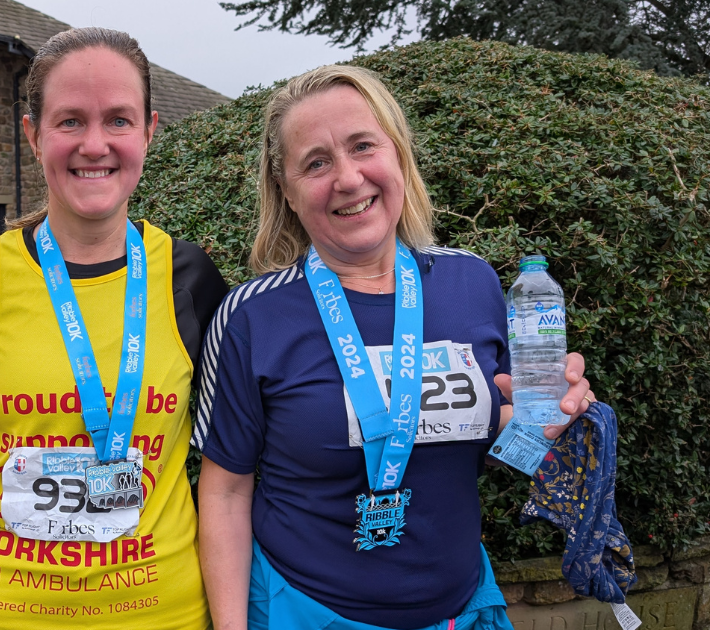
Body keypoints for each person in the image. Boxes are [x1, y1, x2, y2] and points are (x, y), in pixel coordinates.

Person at [194, 65, 596, 630]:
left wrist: (545, 422)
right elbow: (227, 492)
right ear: (284, 189)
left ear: (399, 154)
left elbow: (496, 435)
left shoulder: (472, 284)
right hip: (303, 612)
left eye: (363, 146)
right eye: (316, 162)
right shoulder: (252, 316)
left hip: (462, 609)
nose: (349, 178)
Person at [0, 27, 228, 629]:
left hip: (158, 610)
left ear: (149, 131)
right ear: (32, 133)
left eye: (118, 120)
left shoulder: (190, 277)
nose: (95, 144)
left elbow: (244, 441)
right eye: (70, 121)